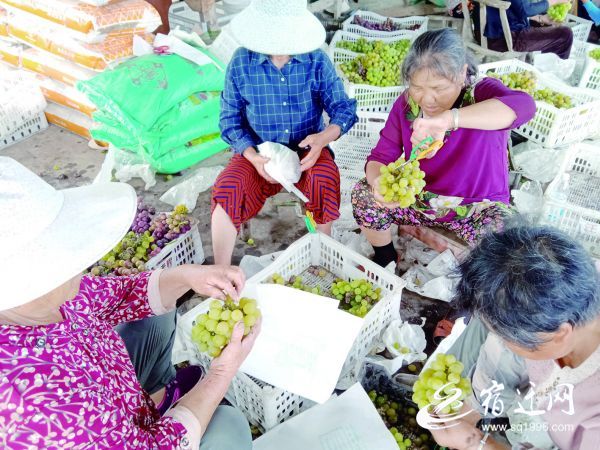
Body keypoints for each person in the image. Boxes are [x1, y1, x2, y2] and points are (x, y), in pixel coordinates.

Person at [0, 157, 259, 449]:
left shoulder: (35, 303)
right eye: (68, 253)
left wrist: (188, 276)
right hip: (118, 434)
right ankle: (164, 413)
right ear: (28, 279)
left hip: (114, 392)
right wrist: (222, 373)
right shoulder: (35, 404)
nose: (82, 263)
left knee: (154, 310)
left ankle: (159, 399)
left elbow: (121, 294)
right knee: (229, 428)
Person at [351, 29, 536, 268]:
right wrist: (378, 184)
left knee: (511, 249)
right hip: (421, 202)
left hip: (478, 207)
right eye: (417, 87)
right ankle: (386, 258)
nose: (427, 99)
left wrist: (449, 119)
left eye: (438, 89)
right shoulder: (406, 105)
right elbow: (380, 156)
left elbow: (525, 106)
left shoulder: (481, 94)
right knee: (363, 194)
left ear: (461, 74)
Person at [211, 0, 358, 265]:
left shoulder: (315, 61)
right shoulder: (241, 63)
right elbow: (229, 120)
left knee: (323, 178)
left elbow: (343, 109)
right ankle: (219, 272)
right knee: (228, 187)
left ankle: (323, 253)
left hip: (306, 150)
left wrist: (323, 138)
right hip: (258, 153)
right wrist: (251, 155)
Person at [431, 224, 600, 449]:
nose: (498, 338)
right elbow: (500, 360)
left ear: (559, 335)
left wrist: (479, 444)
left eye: (504, 335)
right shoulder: (562, 298)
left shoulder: (589, 418)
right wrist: (472, 411)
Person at [481, 0, 574, 59]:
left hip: (491, 33)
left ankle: (541, 68)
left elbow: (513, 6)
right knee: (565, 34)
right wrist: (555, 1)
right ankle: (553, 78)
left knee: (550, 26)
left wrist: (539, 18)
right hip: (503, 39)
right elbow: (526, 9)